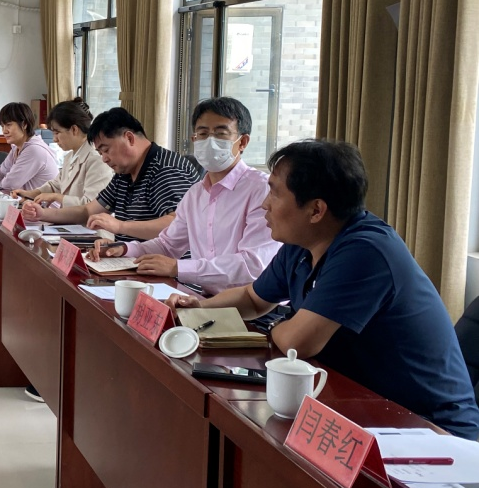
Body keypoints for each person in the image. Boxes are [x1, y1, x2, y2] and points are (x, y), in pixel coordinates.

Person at [172, 140, 479, 440]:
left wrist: (277, 325)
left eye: (275, 193)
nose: (265, 204)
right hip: (360, 406)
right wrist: (199, 307)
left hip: (429, 430)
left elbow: (298, 343)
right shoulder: (303, 243)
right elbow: (253, 298)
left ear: (316, 210)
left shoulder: (366, 251)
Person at [88, 97, 278, 294]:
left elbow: (253, 265)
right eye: (203, 134)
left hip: (252, 304)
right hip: (205, 299)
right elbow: (167, 245)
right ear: (194, 140)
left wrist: (178, 268)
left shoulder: (261, 190)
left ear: (242, 142)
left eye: (221, 133)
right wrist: (124, 249)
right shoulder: (196, 193)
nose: (210, 141)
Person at [24, 107, 200, 241]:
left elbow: (177, 223)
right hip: (132, 257)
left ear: (129, 138)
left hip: (166, 269)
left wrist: (120, 226)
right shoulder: (125, 172)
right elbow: (88, 210)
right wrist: (42, 214)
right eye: (100, 153)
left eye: (106, 150)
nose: (104, 159)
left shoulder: (167, 169)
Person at [11, 98, 113, 207]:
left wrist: (56, 197)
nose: (54, 139)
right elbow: (55, 185)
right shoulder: (70, 156)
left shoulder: (97, 159)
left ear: (74, 129)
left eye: (57, 133)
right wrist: (31, 194)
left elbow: (93, 205)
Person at [0, 102, 62, 192]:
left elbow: (10, 184)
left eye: (8, 125)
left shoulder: (34, 150)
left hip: (41, 201)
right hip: (27, 200)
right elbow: (1, 172)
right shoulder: (17, 147)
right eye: (2, 126)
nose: (4, 131)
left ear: (24, 124)